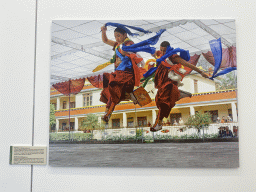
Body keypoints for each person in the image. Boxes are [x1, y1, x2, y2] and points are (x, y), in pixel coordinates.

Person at [150, 41, 208, 132]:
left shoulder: (173, 56)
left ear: (168, 48)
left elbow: (188, 64)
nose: (162, 52)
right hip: (162, 84)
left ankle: (159, 123)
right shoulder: (161, 55)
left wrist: (201, 72)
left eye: (164, 50)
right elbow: (155, 55)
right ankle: (177, 94)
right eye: (161, 50)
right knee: (160, 101)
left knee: (164, 103)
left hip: (169, 83)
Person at [99, 25, 143, 123]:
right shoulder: (117, 45)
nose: (117, 38)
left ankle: (108, 112)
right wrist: (103, 31)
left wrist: (125, 49)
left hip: (126, 74)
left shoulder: (129, 43)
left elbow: (127, 52)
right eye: (115, 37)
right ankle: (107, 113)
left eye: (118, 36)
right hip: (118, 73)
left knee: (114, 88)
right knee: (111, 91)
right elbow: (105, 40)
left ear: (125, 35)